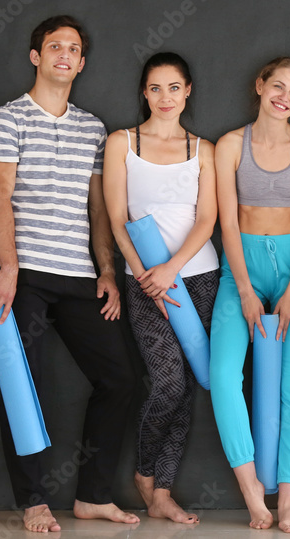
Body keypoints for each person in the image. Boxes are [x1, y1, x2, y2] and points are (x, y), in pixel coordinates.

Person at [0, 15, 138, 533]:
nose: (64, 55)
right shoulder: (7, 120)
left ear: (82, 62)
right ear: (36, 56)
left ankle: (92, 496)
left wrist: (107, 272)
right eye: (54, 47)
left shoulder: (92, 128)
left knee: (121, 378)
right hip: (22, 275)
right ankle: (33, 502)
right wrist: (9, 268)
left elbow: (97, 211)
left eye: (73, 48)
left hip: (77, 275)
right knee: (24, 384)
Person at [210, 57, 290, 533]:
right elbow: (227, 220)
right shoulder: (230, 145)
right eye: (277, 86)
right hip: (243, 270)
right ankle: (253, 492)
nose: (284, 97)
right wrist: (244, 287)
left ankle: (288, 502)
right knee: (222, 374)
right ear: (259, 86)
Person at [104, 52, 220, 524]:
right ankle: (144, 473)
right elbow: (116, 218)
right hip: (144, 282)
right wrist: (145, 274)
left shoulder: (203, 149)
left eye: (174, 87)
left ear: (187, 90)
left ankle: (163, 491)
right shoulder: (121, 143)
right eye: (155, 88)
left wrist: (172, 267)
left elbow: (207, 218)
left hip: (198, 276)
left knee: (188, 385)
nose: (165, 97)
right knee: (167, 379)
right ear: (143, 93)